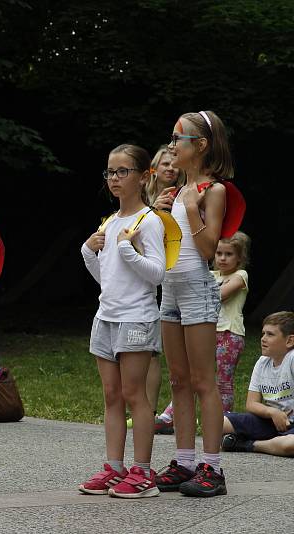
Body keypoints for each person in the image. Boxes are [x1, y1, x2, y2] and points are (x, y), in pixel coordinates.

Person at [152, 110, 233, 497]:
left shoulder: (211, 191)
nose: (172, 145)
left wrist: (187, 211)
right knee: (178, 380)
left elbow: (207, 249)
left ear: (199, 146)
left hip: (198, 289)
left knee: (204, 381)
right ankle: (184, 462)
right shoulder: (174, 191)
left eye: (178, 138)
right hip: (170, 289)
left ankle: (212, 469)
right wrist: (163, 214)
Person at [78, 145, 165, 498]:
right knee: (111, 395)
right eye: (110, 172)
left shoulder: (149, 221)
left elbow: (157, 274)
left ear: (144, 176)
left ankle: (142, 472)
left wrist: (128, 249)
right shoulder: (111, 222)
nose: (114, 179)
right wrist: (88, 252)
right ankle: (114, 468)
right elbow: (107, 278)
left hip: (136, 318)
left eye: (122, 172)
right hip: (107, 316)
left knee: (135, 395)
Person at [156, 232, 251, 433]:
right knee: (190, 375)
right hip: (205, 330)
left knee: (222, 381)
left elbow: (220, 295)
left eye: (229, 254)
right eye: (218, 253)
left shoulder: (240, 276)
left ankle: (223, 422)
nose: (223, 258)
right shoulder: (209, 276)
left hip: (229, 334)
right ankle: (170, 416)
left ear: (239, 258)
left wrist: (195, 291)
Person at [142, 145, 185, 415]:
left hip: (172, 276)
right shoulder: (141, 198)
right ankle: (143, 409)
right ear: (153, 170)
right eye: (164, 164)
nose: (170, 168)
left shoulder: (180, 197)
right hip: (144, 279)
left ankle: (164, 410)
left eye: (174, 164)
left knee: (162, 352)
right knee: (146, 350)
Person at [221, 312, 294, 457]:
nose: (263, 339)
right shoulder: (262, 362)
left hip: (291, 425)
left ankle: (249, 444)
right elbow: (251, 404)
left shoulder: (292, 359)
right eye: (263, 334)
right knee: (216, 422)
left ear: (290, 341)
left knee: (290, 445)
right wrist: (272, 412)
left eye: (270, 334)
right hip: (269, 421)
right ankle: (272, 443)